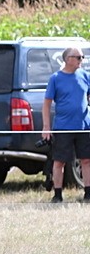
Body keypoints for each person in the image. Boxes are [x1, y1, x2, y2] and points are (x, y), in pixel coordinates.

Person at [42, 47, 90, 204]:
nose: (81, 60)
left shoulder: (85, 76)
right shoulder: (55, 78)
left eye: (82, 57)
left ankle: (88, 193)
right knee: (59, 162)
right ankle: (57, 195)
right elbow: (46, 104)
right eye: (79, 57)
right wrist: (46, 127)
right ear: (68, 59)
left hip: (83, 127)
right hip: (63, 127)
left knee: (86, 160)